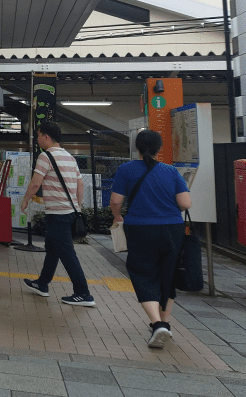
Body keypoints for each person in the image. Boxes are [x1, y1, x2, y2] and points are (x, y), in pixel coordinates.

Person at [110, 129, 191, 349]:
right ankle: (165, 322)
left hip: (140, 229)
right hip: (172, 228)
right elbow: (185, 204)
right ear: (159, 148)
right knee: (168, 273)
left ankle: (156, 324)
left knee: (143, 272)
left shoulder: (126, 169)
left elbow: (116, 201)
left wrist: (118, 217)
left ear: (137, 147)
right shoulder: (171, 171)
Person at [20, 121, 95, 306]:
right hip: (69, 212)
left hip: (58, 214)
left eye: (38, 135)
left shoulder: (45, 157)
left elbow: (36, 183)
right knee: (53, 249)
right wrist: (77, 207)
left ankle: (83, 294)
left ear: (46, 137)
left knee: (67, 253)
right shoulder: (70, 157)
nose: (37, 139)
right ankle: (42, 284)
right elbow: (80, 185)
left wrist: (25, 199)